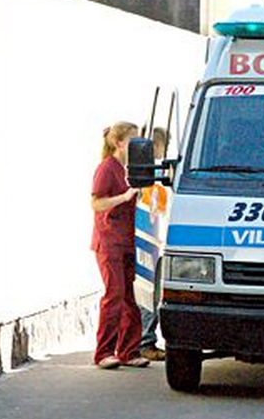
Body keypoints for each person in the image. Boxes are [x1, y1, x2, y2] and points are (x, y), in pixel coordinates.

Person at [90, 121, 150, 369]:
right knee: (114, 295)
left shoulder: (127, 169)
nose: (137, 147)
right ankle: (103, 352)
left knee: (128, 299)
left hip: (126, 241)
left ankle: (128, 350)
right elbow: (96, 203)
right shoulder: (106, 169)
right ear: (119, 143)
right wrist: (123, 197)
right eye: (133, 142)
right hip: (109, 241)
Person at [138, 126, 169, 361]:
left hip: (152, 241)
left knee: (151, 295)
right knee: (151, 296)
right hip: (152, 242)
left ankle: (144, 340)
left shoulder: (150, 175)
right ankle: (145, 342)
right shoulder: (153, 176)